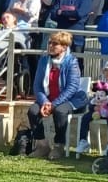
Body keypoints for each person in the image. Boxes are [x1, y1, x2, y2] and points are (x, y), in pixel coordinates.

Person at [26, 31, 87, 160]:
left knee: (60, 111)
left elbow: (72, 88)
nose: (51, 46)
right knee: (32, 111)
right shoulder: (44, 60)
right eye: (49, 43)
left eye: (55, 44)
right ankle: (42, 145)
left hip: (70, 99)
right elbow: (37, 86)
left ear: (64, 47)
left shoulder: (72, 62)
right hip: (48, 99)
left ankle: (59, 145)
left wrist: (53, 105)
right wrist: (44, 102)